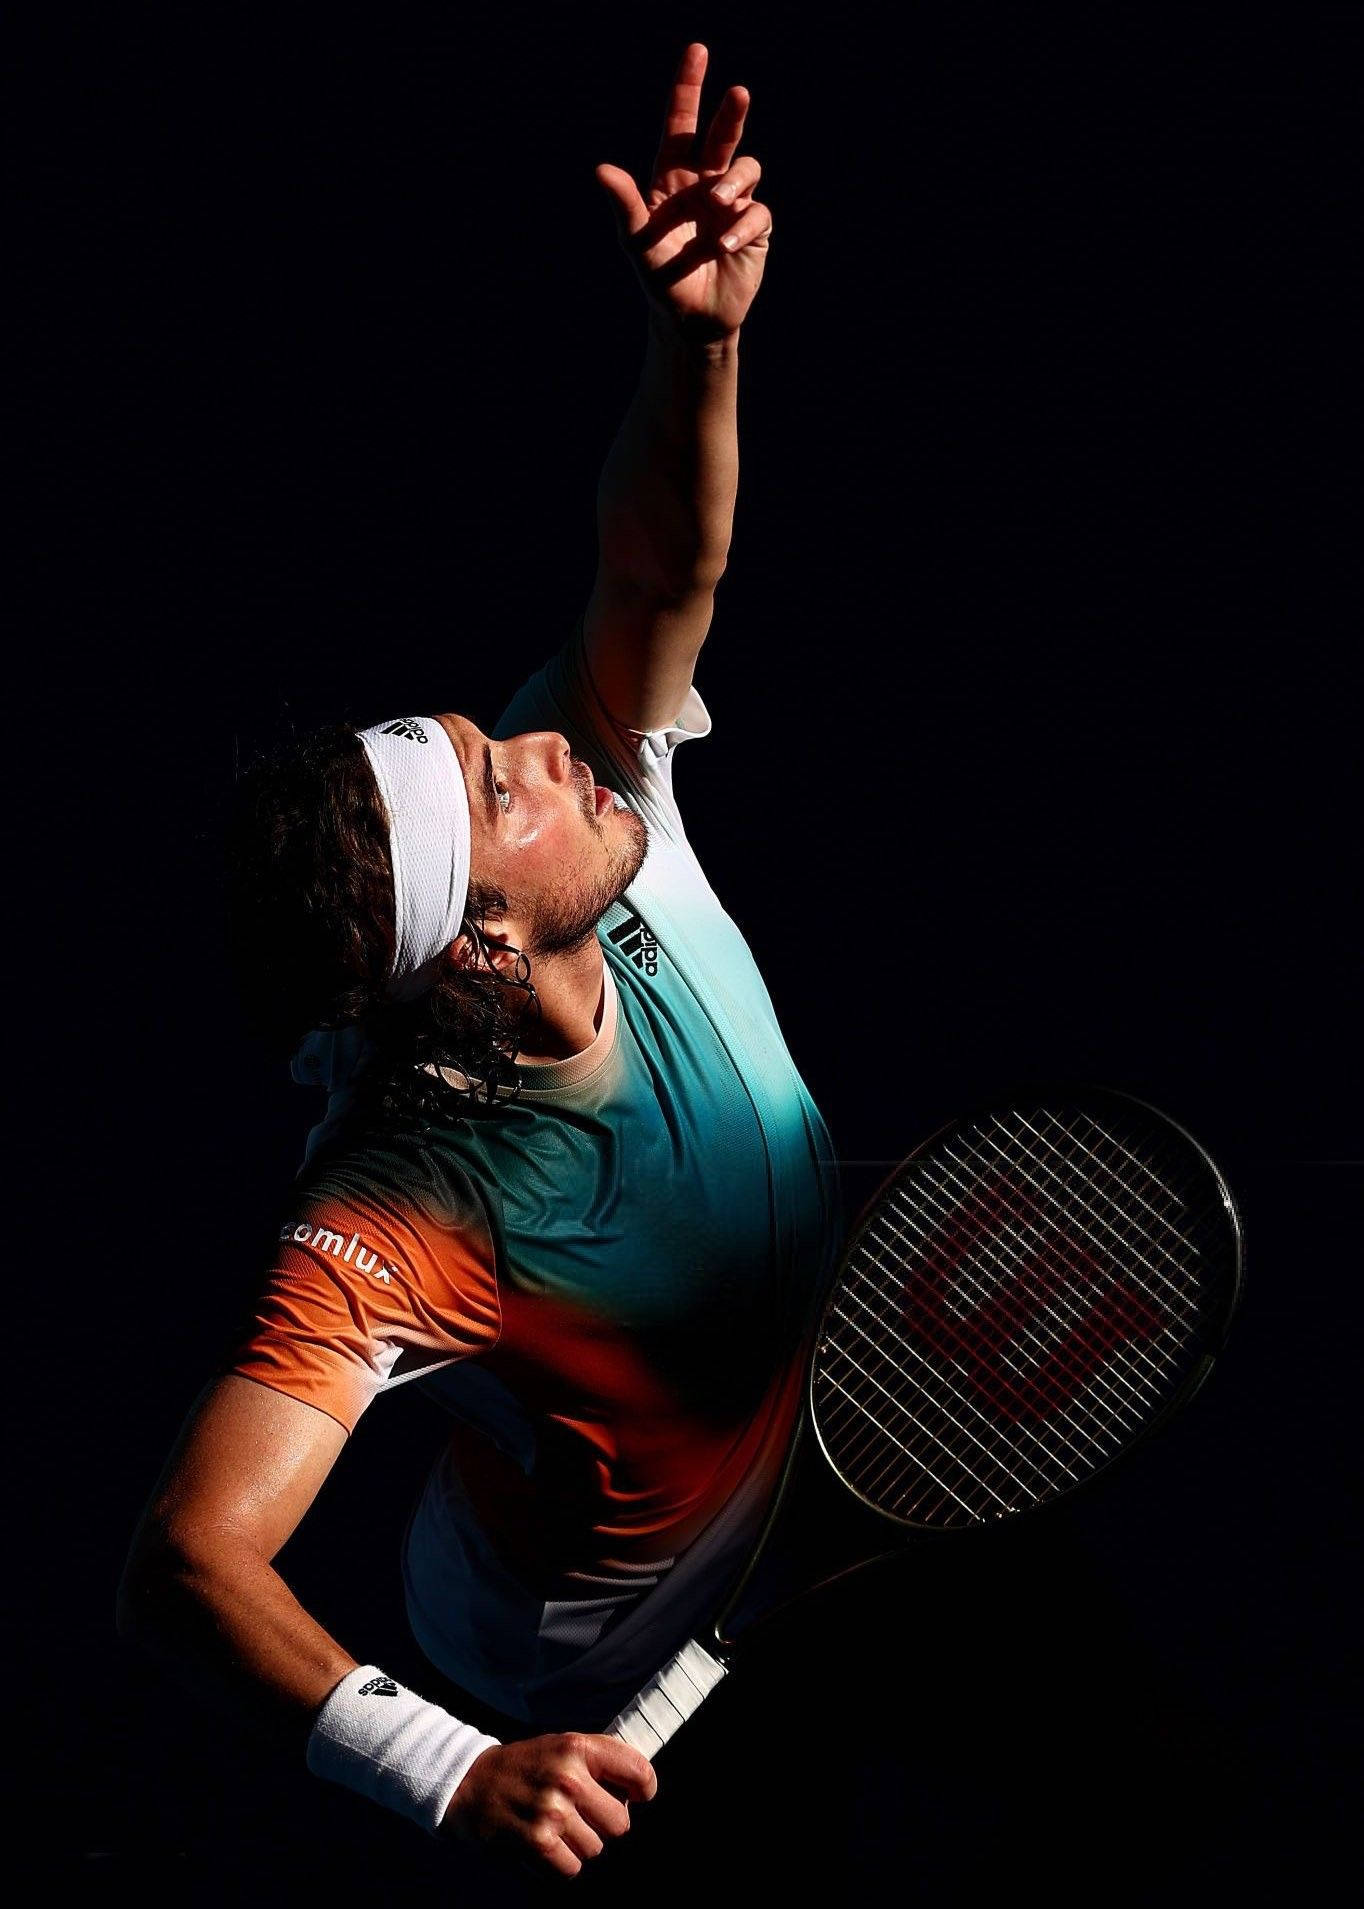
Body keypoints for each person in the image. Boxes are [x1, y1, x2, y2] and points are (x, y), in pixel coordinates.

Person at [118, 41, 839, 1883]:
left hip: (814, 1422)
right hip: (581, 1636)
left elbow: (651, 568)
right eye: (498, 789)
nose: (542, 750)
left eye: (486, 734)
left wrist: (701, 339)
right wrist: (449, 1768)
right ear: (483, 941)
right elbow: (190, 1557)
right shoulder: (401, 1211)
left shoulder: (601, 802)